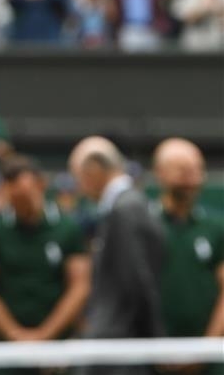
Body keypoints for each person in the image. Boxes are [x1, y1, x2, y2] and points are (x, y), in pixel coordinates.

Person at [0, 155, 89, 367]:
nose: (21, 205)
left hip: (57, 351)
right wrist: (15, 335)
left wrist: (45, 336)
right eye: (14, 199)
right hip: (6, 351)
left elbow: (80, 286)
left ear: (41, 185)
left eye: (26, 196)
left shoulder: (69, 227)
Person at [68, 136, 166, 375]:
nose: (78, 188)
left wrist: (156, 342)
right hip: (120, 347)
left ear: (93, 170)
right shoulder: (126, 207)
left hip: (120, 350)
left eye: (77, 177)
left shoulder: (125, 209)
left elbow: (136, 282)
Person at [152, 138, 224, 375]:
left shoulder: (216, 227)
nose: (192, 179)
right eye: (183, 171)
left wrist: (205, 348)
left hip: (210, 360)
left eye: (197, 171)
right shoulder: (143, 226)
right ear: (160, 173)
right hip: (150, 356)